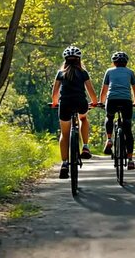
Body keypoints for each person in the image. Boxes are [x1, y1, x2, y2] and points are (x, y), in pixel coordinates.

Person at [51, 46, 99, 179]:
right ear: (79, 60)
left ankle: (65, 163)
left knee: (64, 134)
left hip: (65, 104)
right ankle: (85, 146)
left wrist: (55, 103)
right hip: (80, 103)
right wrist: (94, 102)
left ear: (65, 60)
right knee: (83, 118)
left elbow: (55, 93)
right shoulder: (83, 73)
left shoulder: (60, 73)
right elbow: (91, 91)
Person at [99, 51, 135, 170]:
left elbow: (104, 89)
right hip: (126, 101)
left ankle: (109, 139)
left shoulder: (109, 71)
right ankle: (131, 160)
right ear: (126, 63)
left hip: (112, 100)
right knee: (128, 129)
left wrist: (101, 102)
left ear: (114, 62)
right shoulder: (130, 72)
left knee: (109, 117)